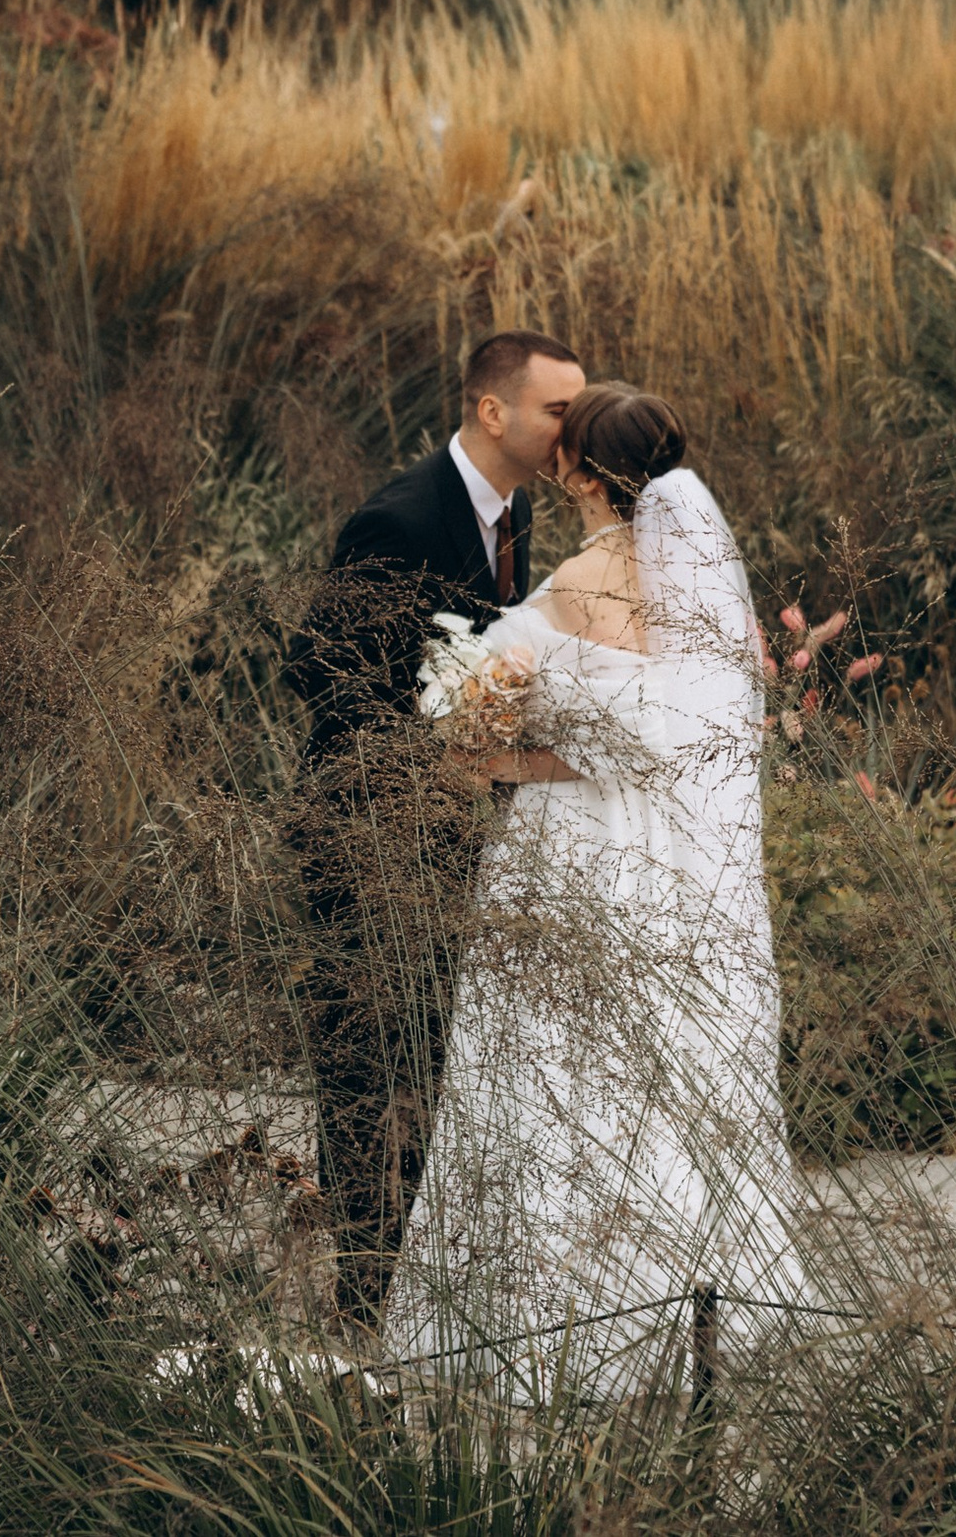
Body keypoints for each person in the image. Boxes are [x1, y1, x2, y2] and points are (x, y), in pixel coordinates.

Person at [380, 382, 815, 1399]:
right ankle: (681, 1311)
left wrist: (516, 766)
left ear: (576, 470)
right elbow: (691, 748)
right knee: (658, 1076)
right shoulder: (706, 583)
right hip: (670, 875)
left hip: (567, 863)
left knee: (544, 1072)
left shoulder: (574, 586)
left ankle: (551, 1331)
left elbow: (466, 730)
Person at [284, 329, 587, 1332]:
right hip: (367, 841)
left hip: (443, 843)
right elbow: (324, 676)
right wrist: (443, 747)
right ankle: (362, 1299)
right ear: (492, 411)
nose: (571, 427)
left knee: (427, 1062)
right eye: (557, 410)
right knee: (367, 1074)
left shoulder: (514, 511)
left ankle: (412, 1288)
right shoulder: (400, 518)